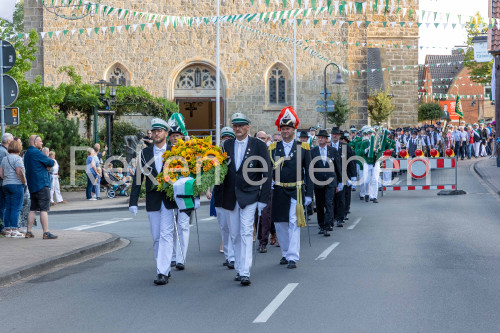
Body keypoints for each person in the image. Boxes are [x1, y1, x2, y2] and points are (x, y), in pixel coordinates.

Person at [220, 112, 272, 286]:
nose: (238, 128)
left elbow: (267, 172)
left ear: (248, 127)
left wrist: (263, 199)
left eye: (241, 126)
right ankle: (239, 267)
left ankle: (245, 271)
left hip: (250, 195)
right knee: (234, 234)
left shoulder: (258, 145)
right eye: (235, 126)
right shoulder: (226, 145)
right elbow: (221, 172)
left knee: (246, 232)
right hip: (230, 196)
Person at [129, 118, 179, 285]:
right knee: (157, 237)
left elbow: (184, 176)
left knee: (166, 235)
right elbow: (138, 177)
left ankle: (162, 271)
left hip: (169, 199)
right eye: (154, 131)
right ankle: (162, 266)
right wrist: (133, 202)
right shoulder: (145, 153)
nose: (156, 133)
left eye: (160, 131)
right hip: (153, 199)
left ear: (166, 133)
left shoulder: (176, 151)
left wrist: (191, 197)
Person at [269, 106, 312, 269]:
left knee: (294, 222)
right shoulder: (273, 148)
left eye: (288, 128)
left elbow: (309, 172)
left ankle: (293, 256)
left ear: (294, 130)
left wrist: (309, 194)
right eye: (283, 129)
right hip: (279, 189)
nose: (285, 131)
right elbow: (268, 170)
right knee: (280, 223)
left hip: (297, 190)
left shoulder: (303, 148)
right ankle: (285, 253)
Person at [166, 113, 190, 271]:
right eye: (173, 136)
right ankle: (173, 256)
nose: (175, 138)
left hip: (186, 192)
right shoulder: (165, 151)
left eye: (177, 135)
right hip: (168, 192)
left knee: (183, 225)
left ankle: (181, 257)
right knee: (171, 226)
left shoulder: (189, 150)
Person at [210, 127, 235, 268]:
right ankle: (228, 255)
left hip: (233, 195)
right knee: (224, 227)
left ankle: (233, 256)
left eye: (228, 138)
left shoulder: (236, 154)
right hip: (220, 194)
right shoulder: (214, 156)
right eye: (223, 138)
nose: (225, 141)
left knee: (233, 226)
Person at [24, 135, 57, 239]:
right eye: (40, 141)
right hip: (41, 183)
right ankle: (46, 232)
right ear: (35, 142)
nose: (42, 143)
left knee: (33, 208)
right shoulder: (37, 152)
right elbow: (51, 162)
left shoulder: (27, 153)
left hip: (32, 185)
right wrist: (46, 165)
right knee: (44, 209)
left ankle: (28, 232)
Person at [310, 129, 339, 237]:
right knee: (320, 204)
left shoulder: (332, 151)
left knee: (329, 202)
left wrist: (339, 182)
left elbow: (338, 167)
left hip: (331, 181)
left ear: (327, 139)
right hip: (318, 181)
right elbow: (310, 168)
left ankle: (327, 225)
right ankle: (321, 224)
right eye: (319, 137)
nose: (320, 139)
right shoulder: (313, 151)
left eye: (322, 137)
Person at [0, 140, 27, 238]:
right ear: (18, 148)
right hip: (16, 184)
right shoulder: (18, 159)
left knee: (8, 207)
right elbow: (19, 171)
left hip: (5, 184)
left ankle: (8, 229)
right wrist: (23, 181)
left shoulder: (4, 159)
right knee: (16, 208)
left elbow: (1, 174)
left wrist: (7, 179)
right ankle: (15, 230)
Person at [0, 133, 13, 237]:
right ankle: (2, 227)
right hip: (2, 183)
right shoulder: (3, 152)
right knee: (2, 206)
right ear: (8, 141)